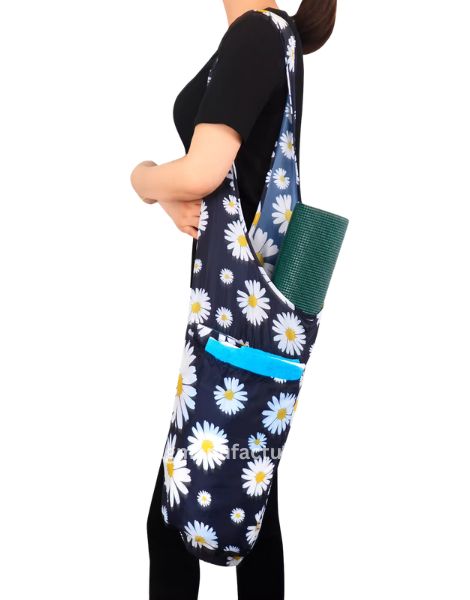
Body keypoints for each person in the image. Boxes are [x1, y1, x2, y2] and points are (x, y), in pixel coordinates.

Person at [130, 2, 336, 598]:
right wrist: (175, 198)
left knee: (173, 522)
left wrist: (144, 179)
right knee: (254, 512)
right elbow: (230, 177)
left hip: (235, 321)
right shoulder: (277, 35)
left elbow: (203, 172)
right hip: (252, 314)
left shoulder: (255, 34)